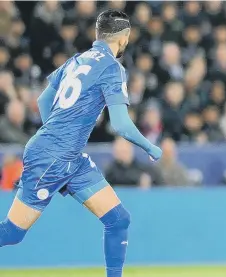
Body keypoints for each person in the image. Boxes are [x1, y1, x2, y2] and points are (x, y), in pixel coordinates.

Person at [0, 10, 162, 277]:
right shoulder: (112, 68)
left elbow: (43, 100)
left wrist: (57, 133)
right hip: (52, 158)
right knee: (12, 232)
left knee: (118, 219)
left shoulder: (76, 60)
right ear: (124, 37)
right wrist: (150, 147)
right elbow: (120, 124)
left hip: (69, 158)